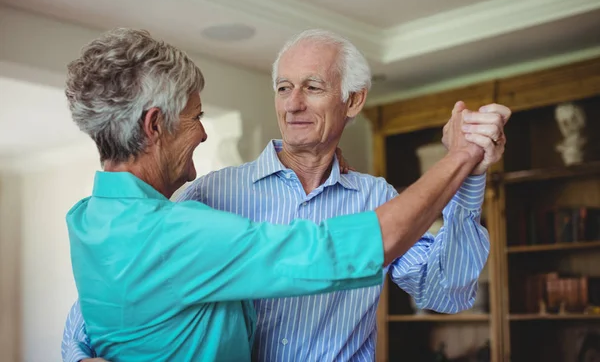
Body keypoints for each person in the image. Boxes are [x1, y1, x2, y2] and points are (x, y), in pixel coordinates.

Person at [62, 28, 510, 362]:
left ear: (353, 102)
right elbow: (95, 317)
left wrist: (468, 181)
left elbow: (446, 294)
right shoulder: (203, 200)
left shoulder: (378, 197)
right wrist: (459, 158)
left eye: (312, 87)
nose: (293, 103)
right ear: (155, 125)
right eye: (283, 88)